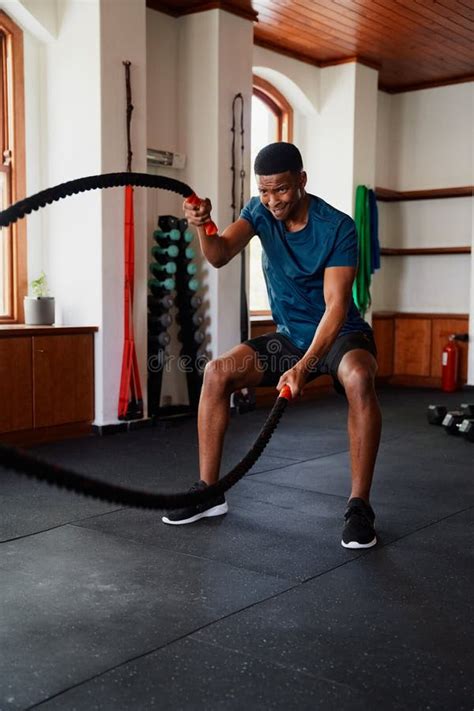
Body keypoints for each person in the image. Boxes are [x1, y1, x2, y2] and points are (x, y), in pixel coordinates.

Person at [162, 142, 381, 549]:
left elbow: (335, 308)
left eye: (280, 190)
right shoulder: (259, 210)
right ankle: (209, 492)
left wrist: (304, 366)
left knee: (359, 378)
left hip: (339, 334)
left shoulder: (338, 227)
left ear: (301, 180)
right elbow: (220, 253)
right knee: (216, 373)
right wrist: (202, 224)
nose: (271, 200)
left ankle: (359, 506)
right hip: (290, 336)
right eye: (264, 191)